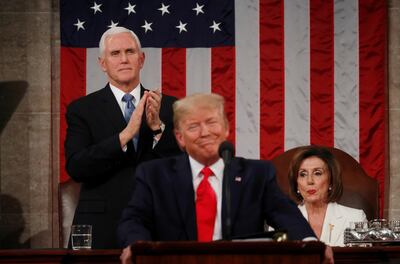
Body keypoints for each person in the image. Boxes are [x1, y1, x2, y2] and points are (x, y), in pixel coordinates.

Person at [117, 93, 333, 263]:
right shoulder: (154, 175)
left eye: (212, 123)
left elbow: (285, 214)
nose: (205, 132)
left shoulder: (256, 174)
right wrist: (138, 247)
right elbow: (134, 220)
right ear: (180, 138)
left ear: (226, 128)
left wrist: (311, 244)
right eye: (193, 126)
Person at [64, 26, 181, 249]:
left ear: (142, 58)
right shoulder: (82, 109)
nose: (124, 59)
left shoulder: (170, 107)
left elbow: (182, 167)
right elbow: (77, 167)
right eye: (115, 54)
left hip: (157, 222)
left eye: (130, 51)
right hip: (102, 225)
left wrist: (157, 128)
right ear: (102, 63)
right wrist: (125, 136)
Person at [288, 145, 367, 247]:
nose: (310, 181)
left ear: (331, 180)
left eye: (317, 173)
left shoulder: (355, 218)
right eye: (303, 174)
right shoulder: (281, 222)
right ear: (296, 183)